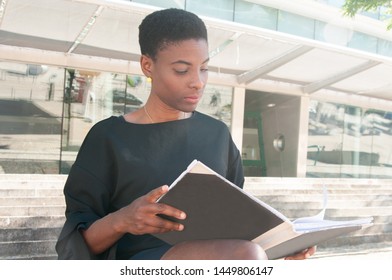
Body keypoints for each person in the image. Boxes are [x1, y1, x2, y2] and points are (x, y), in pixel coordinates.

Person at [55, 8, 315, 260]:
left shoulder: (217, 135)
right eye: (182, 70)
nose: (198, 82)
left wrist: (283, 243)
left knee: (249, 254)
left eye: (204, 68)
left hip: (223, 259)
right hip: (139, 265)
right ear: (147, 65)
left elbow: (238, 226)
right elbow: (76, 244)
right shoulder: (108, 138)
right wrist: (123, 219)